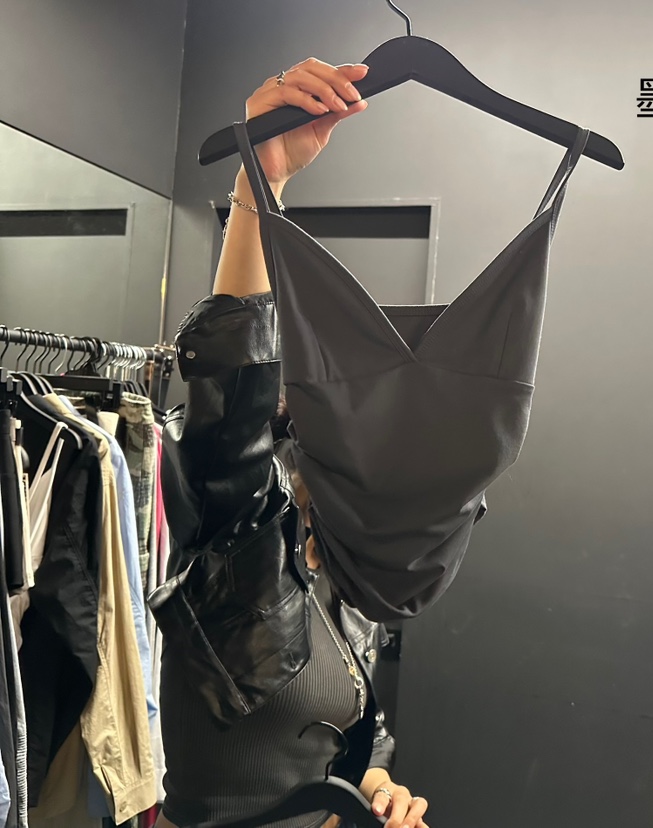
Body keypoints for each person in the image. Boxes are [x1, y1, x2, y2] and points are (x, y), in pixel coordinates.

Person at [153, 59, 430, 828]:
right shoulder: (236, 537)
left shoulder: (350, 572)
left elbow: (356, 733)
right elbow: (233, 386)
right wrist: (261, 183)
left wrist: (378, 789)